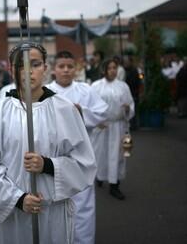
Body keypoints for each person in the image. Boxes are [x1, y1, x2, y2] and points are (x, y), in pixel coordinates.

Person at [0, 42, 97, 244]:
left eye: (36, 64)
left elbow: (85, 163)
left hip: (53, 212)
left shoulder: (65, 110)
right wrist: (18, 199)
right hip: (15, 215)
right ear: (12, 70)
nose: (28, 71)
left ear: (45, 68)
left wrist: (48, 165)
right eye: (21, 65)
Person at [46, 50, 109, 244]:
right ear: (53, 69)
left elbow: (102, 113)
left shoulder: (85, 90)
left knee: (82, 206)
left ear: (76, 69)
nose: (66, 70)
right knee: (54, 204)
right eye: (61, 66)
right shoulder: (45, 92)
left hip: (81, 158)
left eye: (70, 66)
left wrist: (82, 111)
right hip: (53, 159)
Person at [91, 58, 135, 200]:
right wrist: (96, 121)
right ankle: (100, 176)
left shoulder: (123, 86)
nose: (112, 71)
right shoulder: (96, 86)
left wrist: (128, 108)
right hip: (102, 127)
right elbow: (90, 106)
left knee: (117, 156)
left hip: (118, 126)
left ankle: (114, 186)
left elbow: (130, 103)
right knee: (101, 154)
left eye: (114, 68)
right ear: (104, 70)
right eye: (109, 68)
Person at [124, 57, 141, 130]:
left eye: (127, 62)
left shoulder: (134, 71)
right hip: (132, 92)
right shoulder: (128, 70)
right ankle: (133, 124)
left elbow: (135, 82)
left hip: (133, 92)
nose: (126, 63)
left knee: (133, 108)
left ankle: (134, 125)